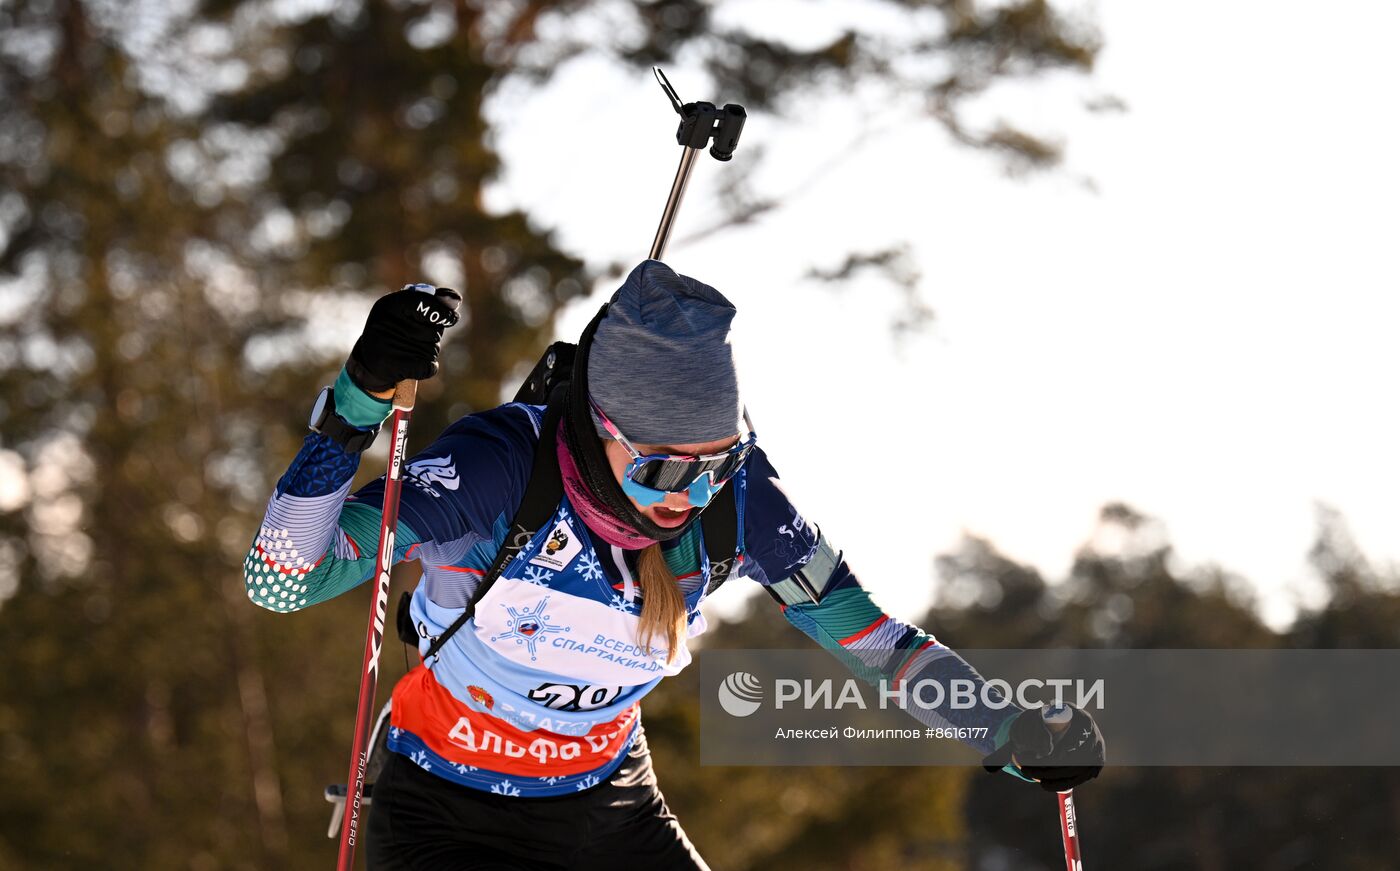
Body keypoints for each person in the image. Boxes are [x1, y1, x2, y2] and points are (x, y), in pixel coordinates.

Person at [246, 260, 1104, 869]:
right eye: (660, 466)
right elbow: (281, 579)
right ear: (599, 429)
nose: (686, 494)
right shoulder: (504, 466)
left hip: (608, 808)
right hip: (448, 814)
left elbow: (875, 642)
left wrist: (1003, 730)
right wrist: (356, 402)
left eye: (716, 460)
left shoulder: (741, 502)